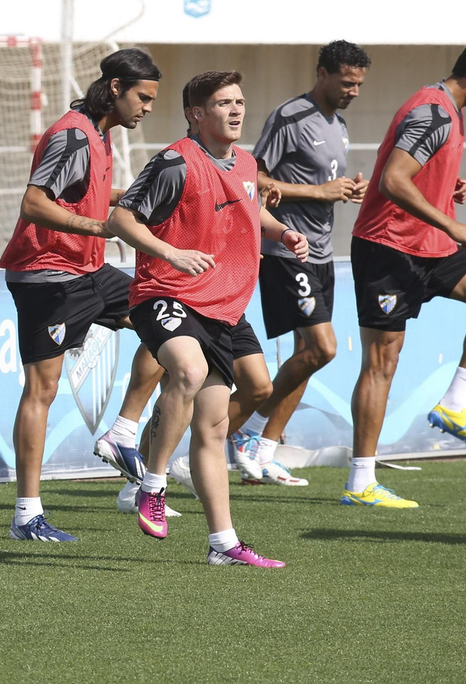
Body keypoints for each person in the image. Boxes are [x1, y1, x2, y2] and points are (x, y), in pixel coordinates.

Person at [108, 71, 307, 568]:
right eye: (223, 103)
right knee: (189, 371)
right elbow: (121, 218)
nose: (236, 110)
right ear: (196, 114)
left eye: (239, 101)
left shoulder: (247, 162)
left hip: (224, 306)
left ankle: (224, 544)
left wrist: (283, 233)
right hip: (166, 293)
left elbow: (251, 210)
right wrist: (170, 253)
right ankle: (151, 485)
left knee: (215, 427)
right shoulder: (175, 162)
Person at [0, 48, 162, 541]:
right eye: (143, 97)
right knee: (42, 390)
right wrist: (99, 226)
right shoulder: (71, 135)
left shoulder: (100, 132)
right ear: (115, 88)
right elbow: (34, 203)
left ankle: (123, 435)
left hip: (88, 269)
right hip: (47, 276)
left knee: (170, 325)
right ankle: (27, 515)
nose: (148, 107)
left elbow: (88, 193)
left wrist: (144, 201)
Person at [227, 41, 372, 487]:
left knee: (306, 357)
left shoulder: (339, 124)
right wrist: (319, 192)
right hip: (287, 250)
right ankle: (242, 432)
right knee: (322, 348)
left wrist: (345, 189)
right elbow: (253, 178)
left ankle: (264, 450)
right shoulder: (290, 117)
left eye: (359, 85)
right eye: (346, 83)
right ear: (322, 74)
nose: (353, 92)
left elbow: (323, 182)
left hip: (321, 252)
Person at [345, 48, 466, 508]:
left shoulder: (449, 111)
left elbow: (417, 174)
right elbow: (393, 180)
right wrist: (452, 223)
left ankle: (455, 401)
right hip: (389, 249)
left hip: (432, 247)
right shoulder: (433, 112)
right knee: (382, 362)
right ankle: (360, 482)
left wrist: (447, 187)